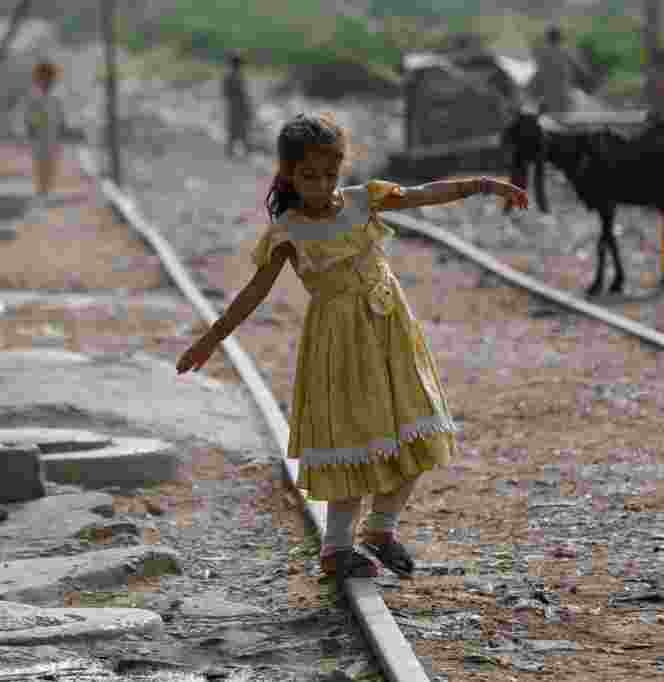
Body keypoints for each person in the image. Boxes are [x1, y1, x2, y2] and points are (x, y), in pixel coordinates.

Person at [175, 112, 528, 584]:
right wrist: (212, 337)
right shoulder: (290, 230)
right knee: (354, 442)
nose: (320, 186)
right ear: (287, 175)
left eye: (328, 174)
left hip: (390, 331)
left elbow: (426, 195)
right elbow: (254, 293)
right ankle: (337, 547)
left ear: (341, 169)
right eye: (308, 176)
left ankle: (380, 530)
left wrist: (485, 183)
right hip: (339, 345)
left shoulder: (365, 201)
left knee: (418, 428)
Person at [23, 59, 65, 202]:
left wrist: (62, 130)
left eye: (49, 77)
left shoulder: (57, 97)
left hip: (53, 135)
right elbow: (28, 117)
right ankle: (41, 191)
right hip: (39, 135)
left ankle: (47, 190)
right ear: (39, 79)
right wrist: (30, 130)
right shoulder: (33, 96)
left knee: (51, 163)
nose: (47, 81)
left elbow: (60, 117)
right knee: (40, 163)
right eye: (43, 77)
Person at [530, 25, 591, 116]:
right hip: (564, 99)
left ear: (548, 39)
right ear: (560, 40)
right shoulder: (566, 53)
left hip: (548, 99)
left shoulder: (541, 55)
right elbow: (583, 72)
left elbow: (538, 77)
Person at [222, 51, 253, 158]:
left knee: (235, 128)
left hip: (233, 105)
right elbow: (241, 93)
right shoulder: (235, 76)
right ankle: (242, 150)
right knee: (240, 128)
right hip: (237, 105)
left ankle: (232, 150)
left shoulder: (230, 75)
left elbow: (225, 93)